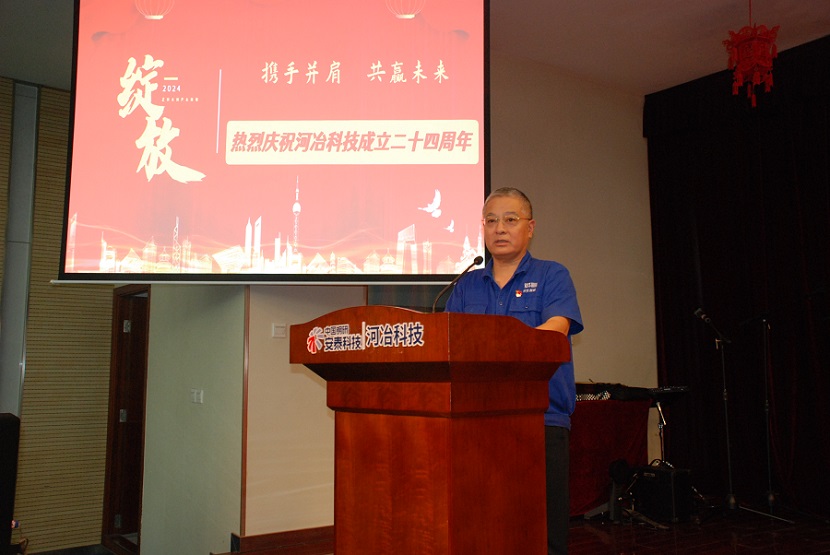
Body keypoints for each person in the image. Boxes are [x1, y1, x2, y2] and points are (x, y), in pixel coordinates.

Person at [444, 187, 583, 555]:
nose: (499, 228)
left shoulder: (552, 275)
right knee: (483, 524)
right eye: (491, 221)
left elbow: (556, 329)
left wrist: (495, 348)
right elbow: (448, 343)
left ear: (530, 227)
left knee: (541, 530)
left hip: (541, 419)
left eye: (510, 220)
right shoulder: (466, 285)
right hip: (475, 421)